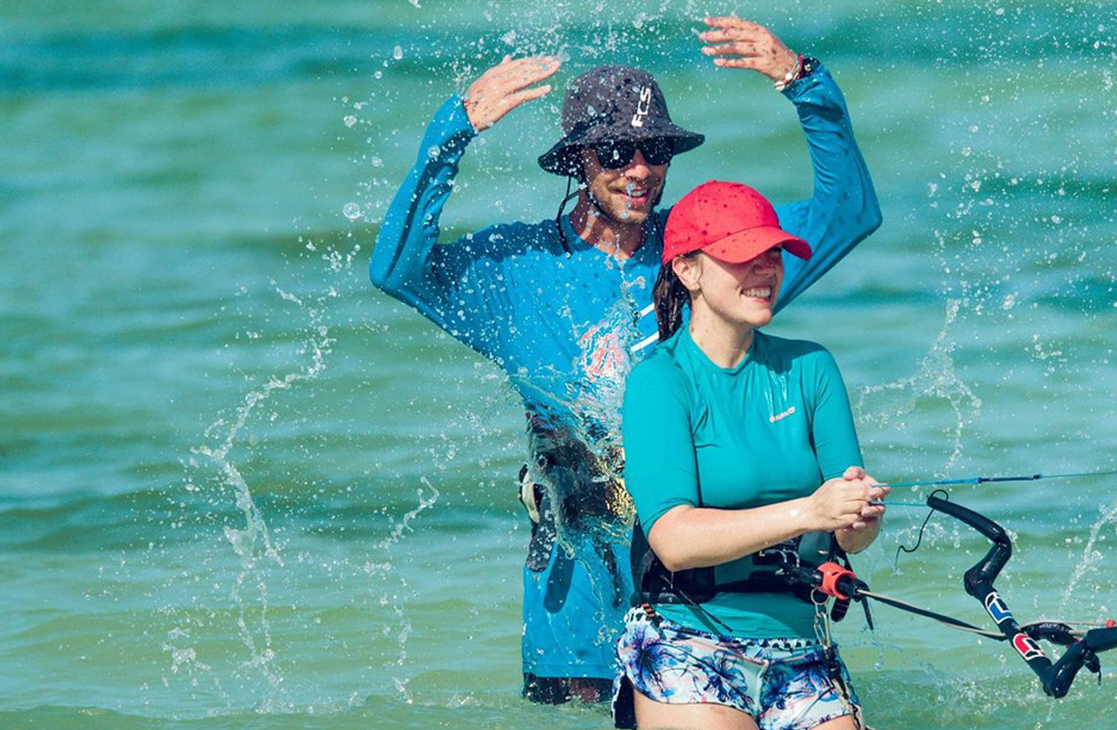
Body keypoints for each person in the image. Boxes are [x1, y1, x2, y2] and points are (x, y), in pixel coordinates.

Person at [370, 16, 880, 703]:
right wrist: (451, 131)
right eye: (614, 152)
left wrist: (804, 83)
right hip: (577, 600)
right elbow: (397, 269)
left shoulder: (710, 255)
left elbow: (847, 213)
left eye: (655, 151)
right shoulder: (517, 272)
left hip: (710, 601)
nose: (639, 170)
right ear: (576, 160)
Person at [617, 180, 890, 730]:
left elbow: (849, 534)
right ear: (688, 271)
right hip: (687, 639)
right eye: (743, 256)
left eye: (773, 255)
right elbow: (673, 540)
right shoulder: (659, 382)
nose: (765, 269)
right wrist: (810, 512)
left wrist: (858, 518)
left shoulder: (812, 368)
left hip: (804, 646)